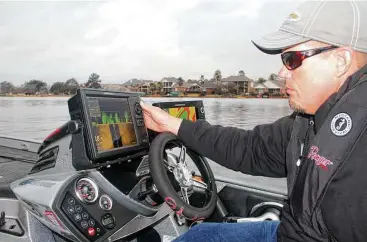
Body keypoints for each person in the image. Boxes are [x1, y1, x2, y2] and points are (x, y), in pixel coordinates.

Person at [140, 1, 367, 241]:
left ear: (340, 61)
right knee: (200, 235)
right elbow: (250, 148)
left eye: (292, 59)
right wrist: (173, 125)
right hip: (290, 232)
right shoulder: (307, 120)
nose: (281, 73)